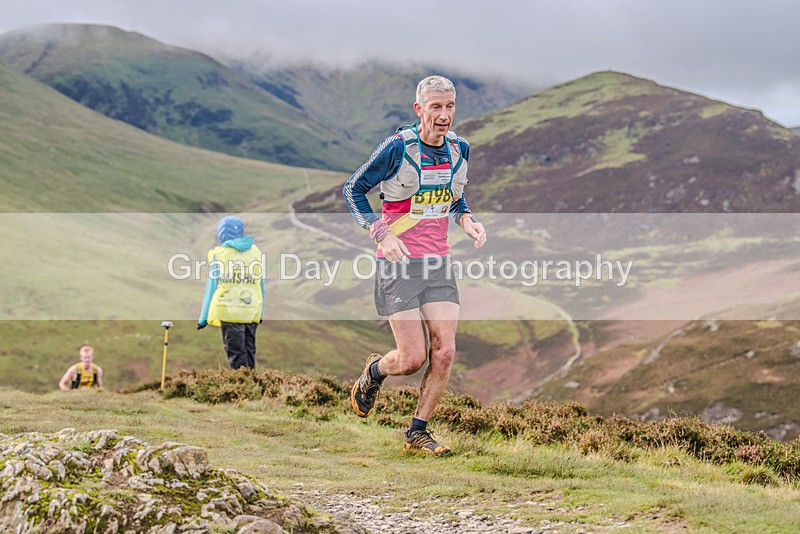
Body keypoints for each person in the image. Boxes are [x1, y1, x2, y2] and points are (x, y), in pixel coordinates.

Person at [342, 75, 487, 456]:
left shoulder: (459, 149)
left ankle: (417, 432)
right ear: (419, 109)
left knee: (445, 351)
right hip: (398, 263)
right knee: (411, 359)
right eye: (435, 107)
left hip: (438, 262)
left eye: (450, 106)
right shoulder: (397, 148)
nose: (444, 115)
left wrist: (466, 219)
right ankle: (375, 372)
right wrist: (381, 233)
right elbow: (353, 188)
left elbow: (453, 196)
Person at [197, 215, 265, 370]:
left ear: (222, 233)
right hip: (251, 310)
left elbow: (212, 287)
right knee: (249, 351)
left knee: (236, 353)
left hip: (229, 310)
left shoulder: (219, 255)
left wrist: (203, 318)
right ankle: (251, 386)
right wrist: (260, 313)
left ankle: (242, 388)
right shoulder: (255, 252)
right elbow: (260, 285)